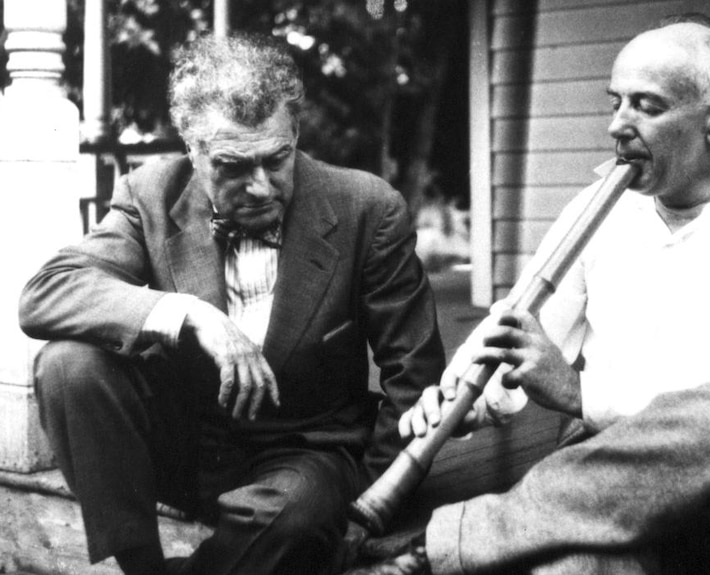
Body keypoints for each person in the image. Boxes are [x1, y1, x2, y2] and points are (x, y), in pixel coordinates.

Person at [354, 13, 710, 575]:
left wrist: (578, 392)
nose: (617, 125)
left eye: (647, 106)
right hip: (611, 476)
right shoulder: (598, 207)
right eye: (615, 102)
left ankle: (432, 548)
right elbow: (519, 327)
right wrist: (461, 401)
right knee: (571, 569)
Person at [18, 34, 445, 575]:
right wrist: (189, 314)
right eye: (233, 166)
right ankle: (141, 565)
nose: (262, 187)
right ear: (191, 151)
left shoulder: (368, 208)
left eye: (276, 159)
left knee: (297, 513)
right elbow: (46, 292)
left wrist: (370, 507)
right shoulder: (150, 193)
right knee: (67, 364)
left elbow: (417, 379)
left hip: (303, 456)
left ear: (295, 133)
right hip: (183, 448)